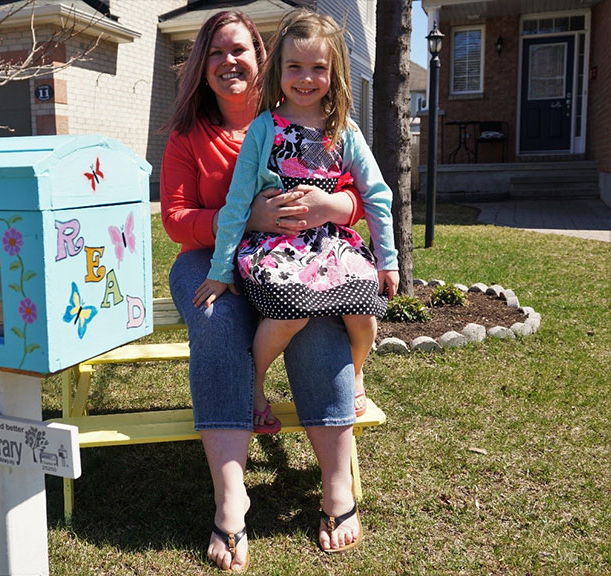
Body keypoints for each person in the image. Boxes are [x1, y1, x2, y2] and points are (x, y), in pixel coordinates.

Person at [160, 9, 369, 571]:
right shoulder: (188, 135)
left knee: (319, 320)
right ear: (202, 67)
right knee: (215, 322)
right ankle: (232, 498)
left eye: (240, 51)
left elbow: (351, 190)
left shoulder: (298, 113)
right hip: (208, 261)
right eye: (216, 53)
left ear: (262, 59)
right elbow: (177, 219)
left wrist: (339, 206)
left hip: (293, 255)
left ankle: (336, 489)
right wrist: (246, 218)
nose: (229, 62)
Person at [193, 9, 399, 437]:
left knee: (364, 313)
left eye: (318, 68)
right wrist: (219, 270)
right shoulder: (263, 128)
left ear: (334, 71)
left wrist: (388, 260)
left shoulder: (345, 130)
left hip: (333, 247)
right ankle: (255, 382)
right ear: (278, 71)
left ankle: (357, 372)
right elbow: (235, 203)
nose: (306, 78)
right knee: (290, 313)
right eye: (295, 67)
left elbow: (377, 195)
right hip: (276, 246)